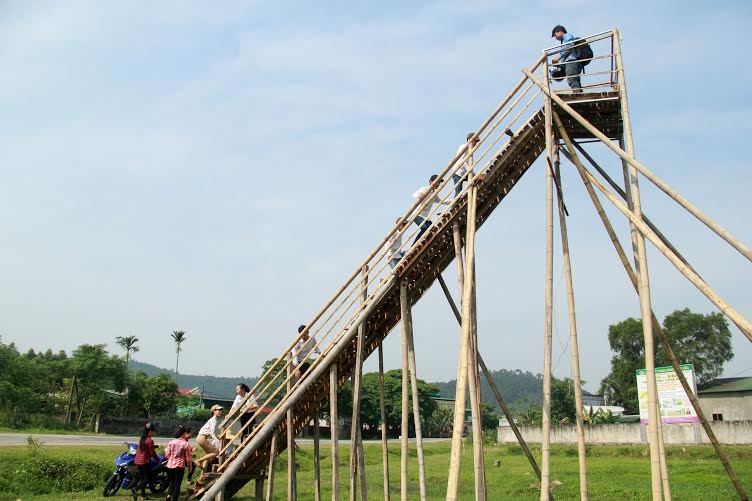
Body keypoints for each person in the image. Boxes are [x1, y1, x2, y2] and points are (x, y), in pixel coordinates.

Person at [411, 175, 450, 245]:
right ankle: (414, 245)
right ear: (430, 182)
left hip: (425, 217)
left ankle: (425, 243)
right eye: (437, 181)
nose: (438, 184)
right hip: (417, 214)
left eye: (439, 182)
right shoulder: (424, 189)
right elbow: (414, 194)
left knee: (433, 229)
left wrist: (453, 200)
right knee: (425, 228)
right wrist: (420, 195)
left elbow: (441, 201)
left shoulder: (434, 193)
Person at [164, 424, 193, 501]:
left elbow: (167, 455)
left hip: (170, 465)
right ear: (184, 434)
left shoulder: (171, 442)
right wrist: (190, 467)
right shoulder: (186, 444)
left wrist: (171, 459)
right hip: (179, 466)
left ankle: (168, 496)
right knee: (177, 484)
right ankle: (174, 499)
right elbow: (188, 458)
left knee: (171, 482)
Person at [551, 25, 582, 92]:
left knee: (572, 80)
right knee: (575, 80)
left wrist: (559, 58)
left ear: (560, 31)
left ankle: (577, 96)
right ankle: (579, 94)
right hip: (570, 62)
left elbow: (570, 46)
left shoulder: (567, 35)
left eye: (555, 35)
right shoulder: (564, 40)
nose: (555, 37)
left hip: (571, 62)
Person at [132, 422, 158, 500]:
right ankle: (135, 489)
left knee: (142, 479)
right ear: (150, 431)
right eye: (154, 431)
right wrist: (159, 460)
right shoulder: (150, 440)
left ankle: (143, 495)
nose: (154, 433)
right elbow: (152, 453)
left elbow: (144, 449)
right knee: (147, 479)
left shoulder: (142, 438)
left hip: (137, 461)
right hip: (144, 462)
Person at [196, 405, 223, 469]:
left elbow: (210, 433)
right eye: (218, 410)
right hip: (202, 438)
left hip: (199, 437)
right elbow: (212, 433)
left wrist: (216, 437)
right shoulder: (213, 420)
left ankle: (202, 475)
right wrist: (218, 441)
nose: (220, 412)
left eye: (220, 410)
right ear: (214, 411)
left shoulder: (212, 419)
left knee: (208, 456)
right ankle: (198, 461)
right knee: (216, 452)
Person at [453, 133, 479, 197]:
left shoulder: (470, 149)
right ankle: (454, 206)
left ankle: (470, 192)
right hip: (458, 172)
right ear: (470, 139)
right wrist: (470, 171)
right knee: (458, 193)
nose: (476, 143)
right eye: (475, 141)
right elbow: (462, 161)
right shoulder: (463, 146)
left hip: (465, 171)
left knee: (476, 180)